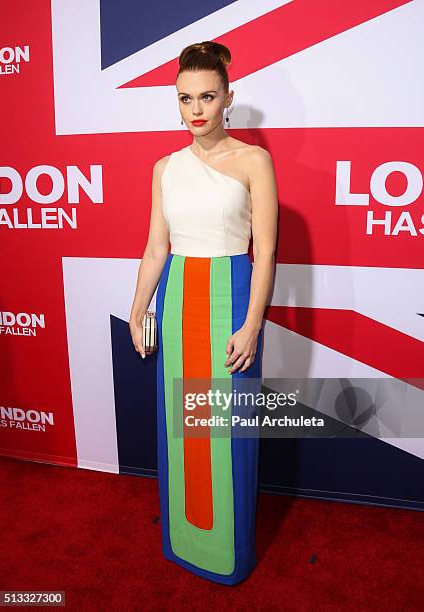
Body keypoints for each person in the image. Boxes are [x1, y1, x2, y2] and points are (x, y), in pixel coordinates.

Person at [129, 41, 278, 585]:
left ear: (227, 97)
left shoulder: (253, 161)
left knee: (224, 429)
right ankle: (185, 540)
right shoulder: (164, 167)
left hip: (230, 302)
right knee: (182, 427)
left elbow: (265, 252)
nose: (196, 109)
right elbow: (155, 249)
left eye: (207, 96)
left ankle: (226, 554)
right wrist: (138, 308)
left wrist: (253, 323)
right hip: (177, 304)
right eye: (185, 98)